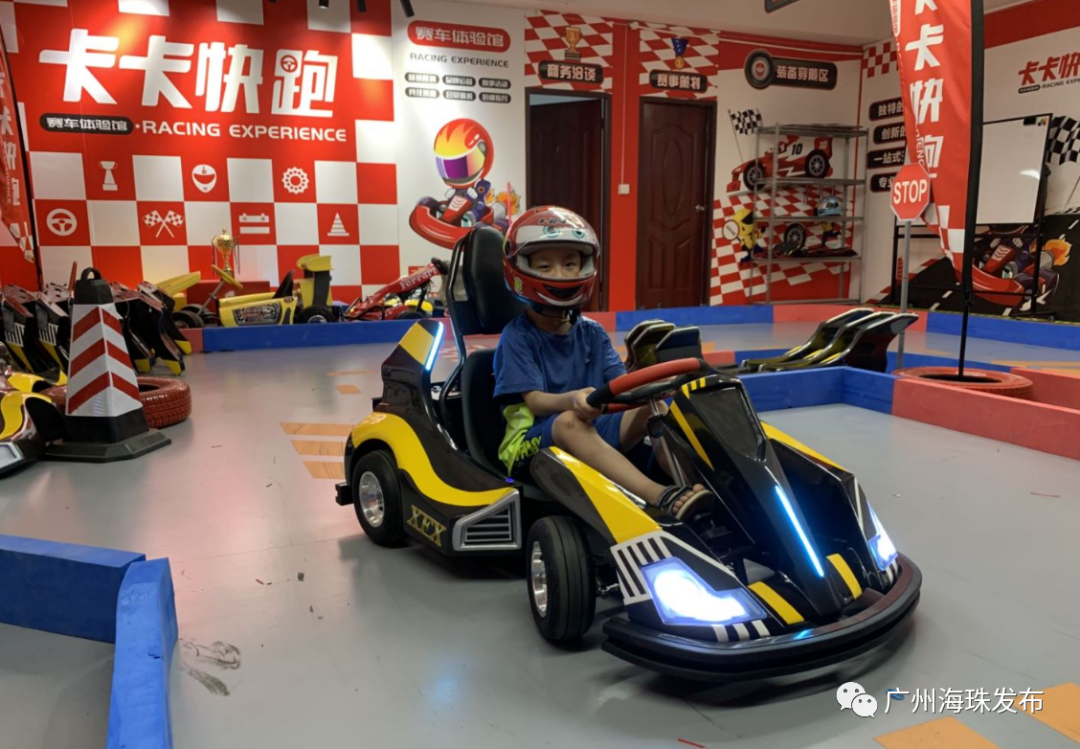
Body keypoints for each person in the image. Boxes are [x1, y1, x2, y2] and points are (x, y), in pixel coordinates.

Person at [492, 206, 714, 520]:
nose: (561, 274)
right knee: (568, 422)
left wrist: (654, 384)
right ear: (521, 269)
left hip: (591, 429)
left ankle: (693, 487)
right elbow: (536, 402)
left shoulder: (592, 332)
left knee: (653, 409)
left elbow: (620, 384)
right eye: (545, 265)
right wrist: (572, 399)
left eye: (570, 264)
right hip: (530, 445)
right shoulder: (518, 336)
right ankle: (658, 495)